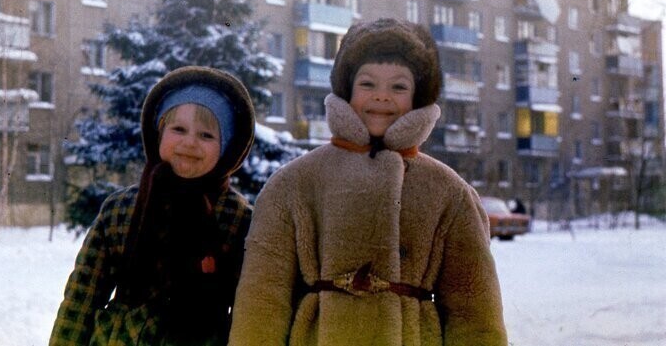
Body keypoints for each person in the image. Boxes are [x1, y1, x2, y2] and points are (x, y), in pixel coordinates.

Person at [229, 18, 507, 345]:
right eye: (368, 84)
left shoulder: (450, 193)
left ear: (419, 95)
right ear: (347, 88)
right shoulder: (293, 184)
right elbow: (262, 301)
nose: (382, 97)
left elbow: (473, 309)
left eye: (399, 87)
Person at [50, 66, 255, 346]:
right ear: (159, 133)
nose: (189, 142)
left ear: (227, 148)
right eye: (178, 129)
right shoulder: (121, 208)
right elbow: (82, 297)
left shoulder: (239, 218)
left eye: (206, 135)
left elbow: (250, 310)